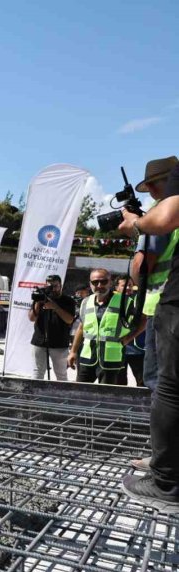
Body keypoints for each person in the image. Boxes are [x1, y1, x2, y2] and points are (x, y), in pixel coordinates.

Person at [117, 159, 179, 511]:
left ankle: (164, 471)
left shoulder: (161, 216)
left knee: (164, 388)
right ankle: (165, 460)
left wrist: (137, 230)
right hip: (163, 309)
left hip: (165, 309)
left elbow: (142, 271)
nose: (153, 193)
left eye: (153, 185)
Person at [68, 268, 130, 385]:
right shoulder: (86, 302)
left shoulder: (124, 301)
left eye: (103, 281)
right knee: (80, 394)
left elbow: (143, 320)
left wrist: (128, 338)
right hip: (87, 358)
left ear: (110, 282)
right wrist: (73, 352)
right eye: (95, 282)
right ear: (90, 283)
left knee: (106, 397)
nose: (99, 285)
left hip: (110, 360)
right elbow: (81, 328)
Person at [28, 274, 75, 381]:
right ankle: (35, 395)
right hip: (39, 341)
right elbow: (31, 318)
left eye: (55, 286)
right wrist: (38, 303)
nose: (52, 289)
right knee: (37, 372)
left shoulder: (68, 301)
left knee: (61, 374)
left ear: (61, 286)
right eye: (49, 286)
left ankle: (62, 397)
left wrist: (55, 307)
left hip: (59, 343)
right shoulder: (40, 298)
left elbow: (69, 320)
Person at [115, 275, 146, 387]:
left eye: (130, 285)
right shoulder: (111, 302)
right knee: (119, 382)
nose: (128, 288)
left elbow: (145, 321)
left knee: (143, 381)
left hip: (137, 349)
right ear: (116, 287)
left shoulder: (139, 300)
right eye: (124, 285)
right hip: (117, 349)